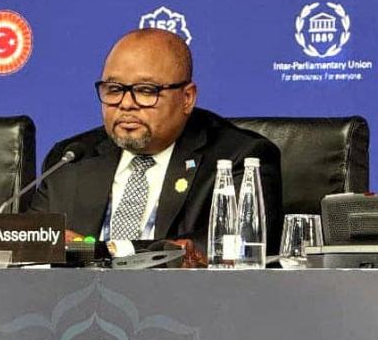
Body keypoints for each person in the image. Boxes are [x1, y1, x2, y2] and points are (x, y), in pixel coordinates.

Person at [30, 28, 283, 256]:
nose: (126, 104)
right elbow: (31, 244)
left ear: (187, 98)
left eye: (146, 90)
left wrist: (105, 250)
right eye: (114, 90)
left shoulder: (238, 157)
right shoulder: (71, 158)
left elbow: (234, 246)